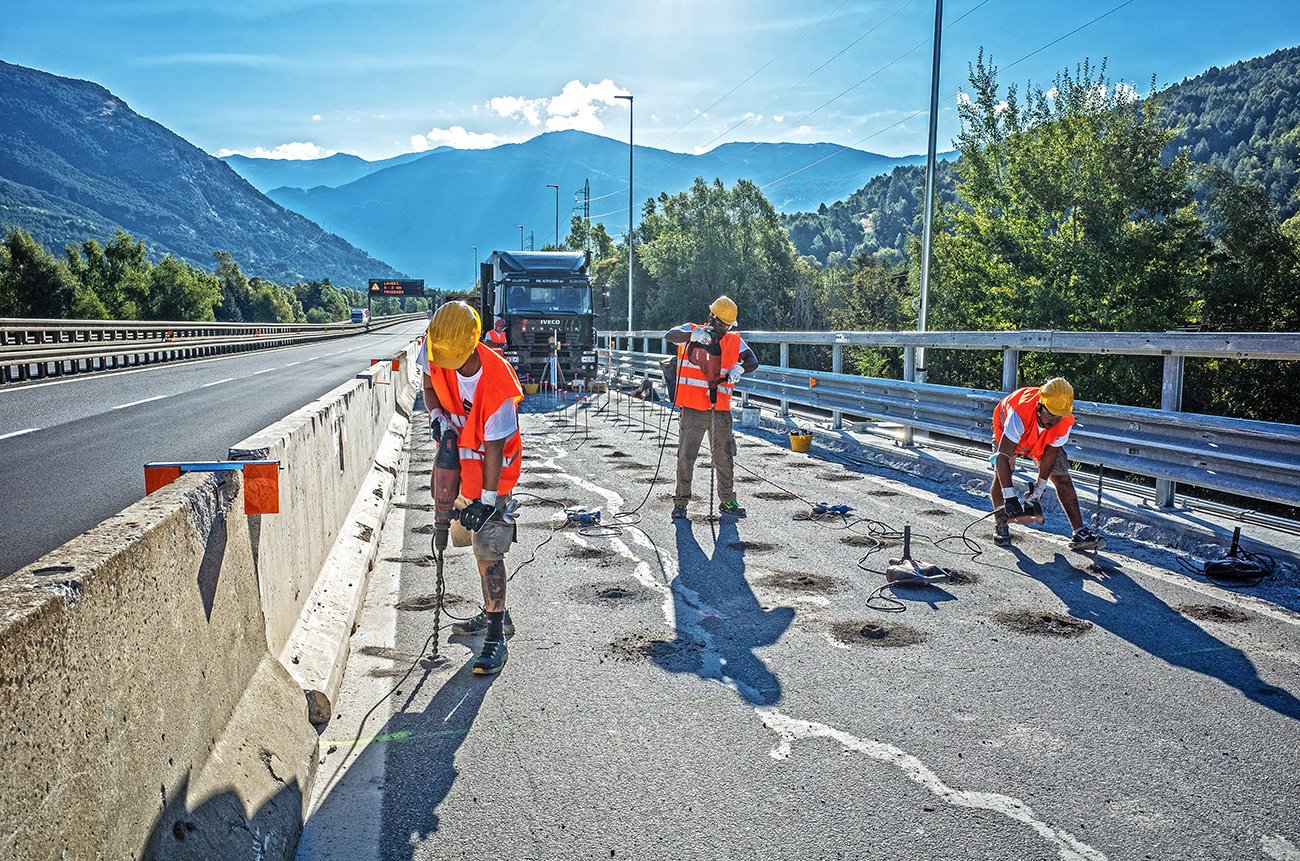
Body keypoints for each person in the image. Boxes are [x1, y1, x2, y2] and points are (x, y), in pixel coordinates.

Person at [418, 301, 525, 674]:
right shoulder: (438, 344)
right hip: (462, 468)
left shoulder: (496, 384)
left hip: (494, 475)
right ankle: (497, 612)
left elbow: (494, 450)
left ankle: (495, 639)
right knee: (475, 551)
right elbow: (429, 382)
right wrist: (437, 417)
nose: (442, 364)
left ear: (469, 345)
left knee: (489, 551)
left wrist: (488, 503)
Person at [665, 295, 760, 520]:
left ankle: (727, 501)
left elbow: (752, 360)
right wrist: (692, 335)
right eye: (721, 324)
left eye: (728, 326)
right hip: (693, 409)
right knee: (686, 457)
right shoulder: (691, 331)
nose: (724, 330)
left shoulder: (735, 341)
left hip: (720, 410)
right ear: (711, 317)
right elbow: (670, 335)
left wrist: (740, 369)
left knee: (725, 456)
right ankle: (681, 503)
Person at [990, 377, 1104, 551]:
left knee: (1063, 479)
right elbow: (1002, 457)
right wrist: (1010, 497)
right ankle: (1002, 525)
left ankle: (1079, 532)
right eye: (1049, 414)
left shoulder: (1064, 420)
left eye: (1057, 417)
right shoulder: (1019, 413)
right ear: (1039, 406)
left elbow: (1051, 453)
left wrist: (1039, 489)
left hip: (1042, 441)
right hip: (1009, 432)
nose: (1053, 421)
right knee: (1003, 475)